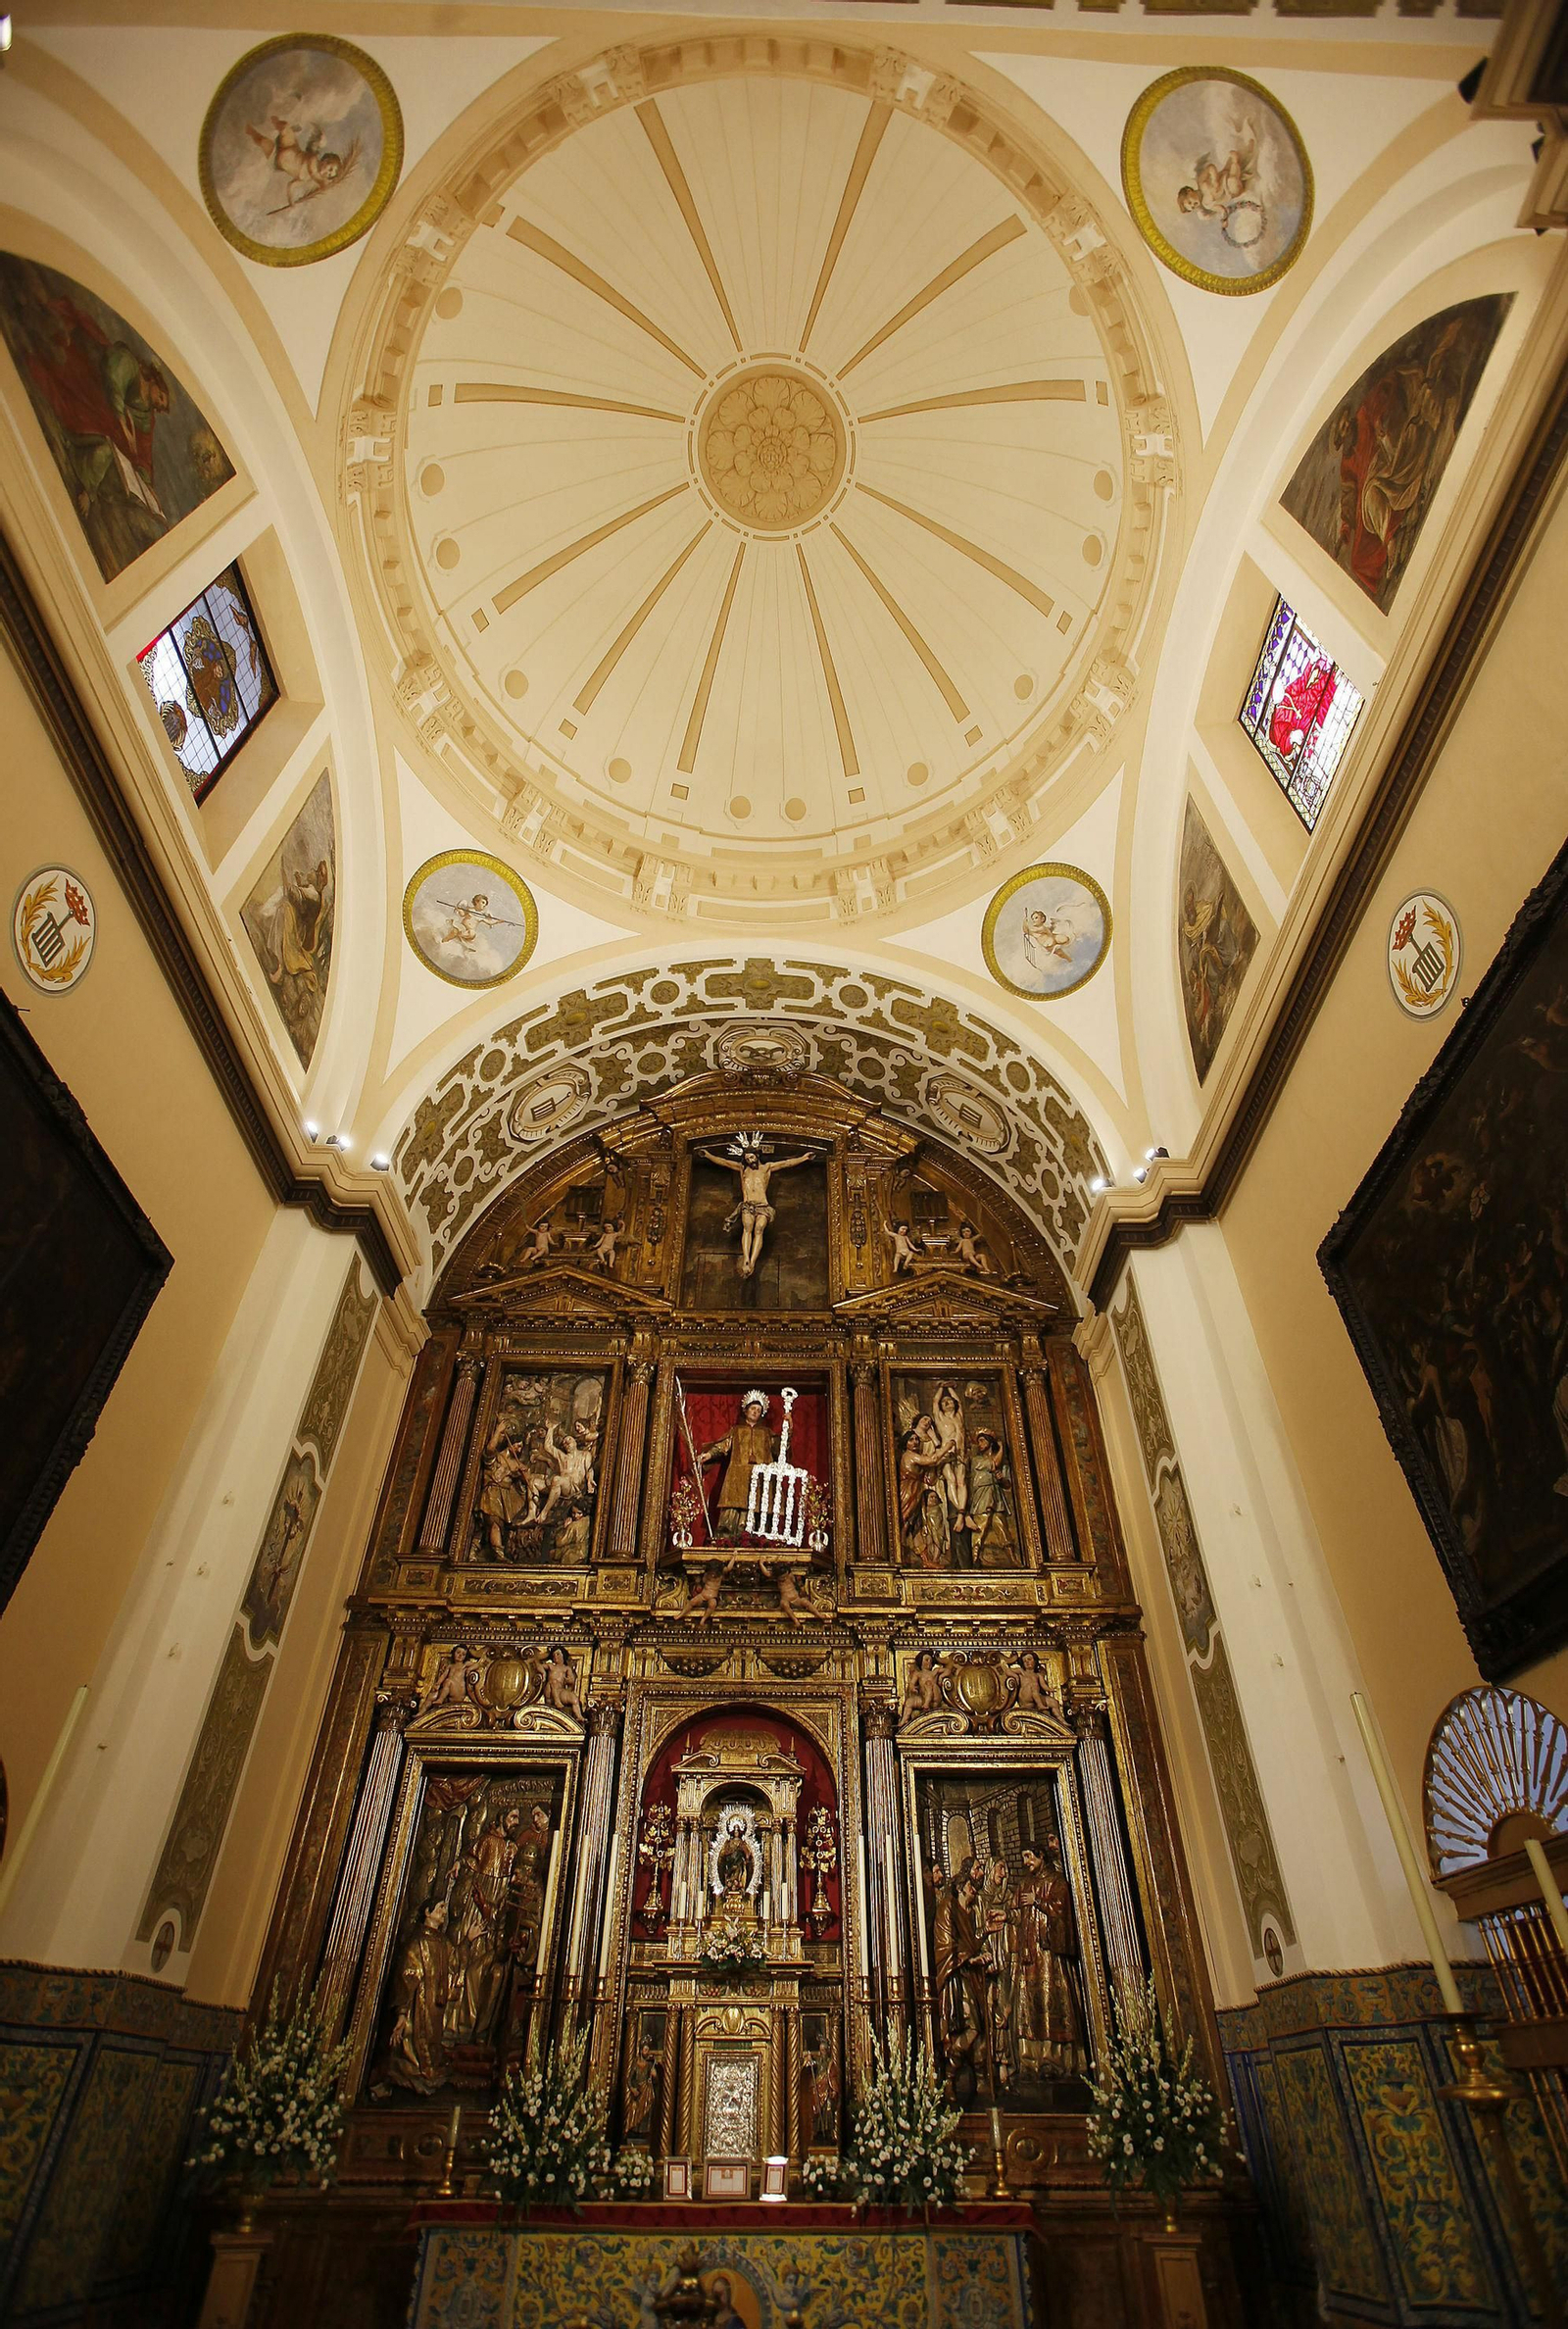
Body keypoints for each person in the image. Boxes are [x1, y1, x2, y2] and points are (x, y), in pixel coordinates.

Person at [697, 1133, 814, 1279]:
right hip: (748, 1204)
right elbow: (724, 1162)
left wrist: (804, 1158)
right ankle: (746, 1258)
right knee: (747, 1228)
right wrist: (708, 1155)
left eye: (751, 1157)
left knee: (759, 1229)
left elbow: (786, 1163)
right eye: (747, 1159)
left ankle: (752, 1262)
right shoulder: (742, 1169)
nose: (750, 1160)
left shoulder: (766, 1168)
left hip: (763, 1205)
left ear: (757, 1156)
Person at [386, 1898, 455, 2093]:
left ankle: (429, 2071)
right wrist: (402, 2012)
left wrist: (467, 1941)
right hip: (420, 2003)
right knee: (416, 2038)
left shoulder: (443, 1942)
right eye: (440, 1906)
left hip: (437, 2003)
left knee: (433, 2039)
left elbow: (455, 1963)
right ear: (427, 1912)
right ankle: (414, 2073)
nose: (443, 1911)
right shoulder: (417, 1942)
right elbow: (407, 1978)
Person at [698, 1390, 776, 1541]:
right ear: (746, 1410)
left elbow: (782, 1448)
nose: (755, 1412)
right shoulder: (736, 1431)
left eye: (759, 1410)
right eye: (753, 1408)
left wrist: (789, 1429)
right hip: (737, 1475)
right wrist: (709, 1454)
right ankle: (728, 1538)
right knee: (733, 1505)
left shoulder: (767, 1433)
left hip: (760, 1476)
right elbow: (723, 1446)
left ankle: (755, 1538)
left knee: (758, 1505)